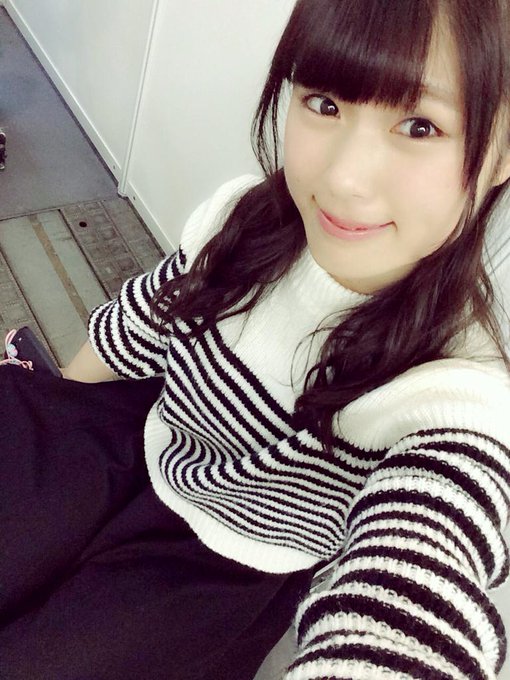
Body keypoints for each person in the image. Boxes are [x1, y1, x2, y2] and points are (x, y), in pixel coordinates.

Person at [2, 0, 510, 678]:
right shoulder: (243, 217)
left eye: (420, 126)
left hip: (227, 563)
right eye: (324, 103)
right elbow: (141, 324)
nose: (342, 178)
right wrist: (50, 428)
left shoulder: (459, 393)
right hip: (136, 434)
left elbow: (419, 588)